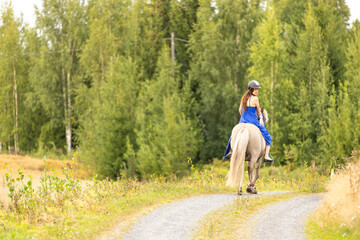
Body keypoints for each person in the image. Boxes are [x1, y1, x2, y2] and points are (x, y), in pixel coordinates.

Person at [223, 80, 273, 162]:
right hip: (253, 121)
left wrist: (244, 118)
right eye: (255, 89)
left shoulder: (243, 98)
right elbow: (259, 112)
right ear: (251, 89)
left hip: (242, 121)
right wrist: (259, 117)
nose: (257, 91)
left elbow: (240, 110)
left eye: (257, 89)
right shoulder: (255, 99)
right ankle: (267, 155)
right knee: (268, 136)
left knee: (233, 135)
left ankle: (230, 151)